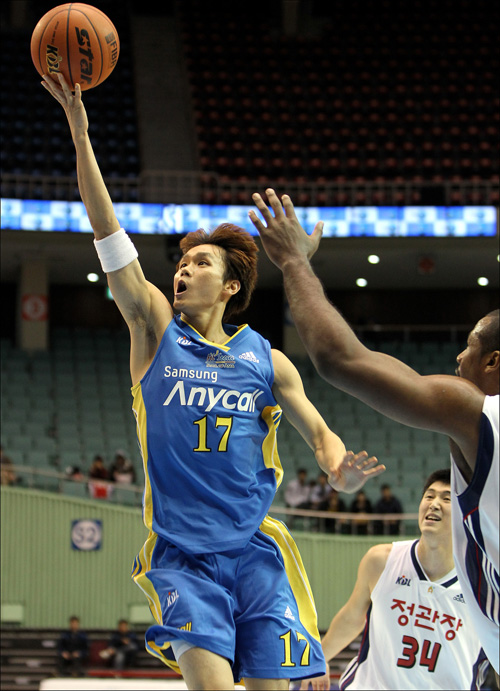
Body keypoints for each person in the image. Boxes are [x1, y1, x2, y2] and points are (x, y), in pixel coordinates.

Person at [42, 74, 385, 691]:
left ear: (230, 286)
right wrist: (80, 132)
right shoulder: (154, 330)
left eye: (200, 263)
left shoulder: (267, 360)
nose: (183, 270)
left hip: (254, 552)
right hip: (183, 555)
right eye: (180, 263)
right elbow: (108, 235)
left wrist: (340, 470)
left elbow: (319, 432)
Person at [250, 189, 499, 674]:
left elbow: (340, 359)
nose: (458, 357)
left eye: (469, 347)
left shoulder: (481, 415)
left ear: (493, 361)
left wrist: (294, 262)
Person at [300, 470, 490, 690]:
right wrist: (320, 657)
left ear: (465, 514)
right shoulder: (382, 561)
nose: (434, 504)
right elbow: (352, 617)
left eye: (446, 499)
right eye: (429, 496)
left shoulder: (481, 584)